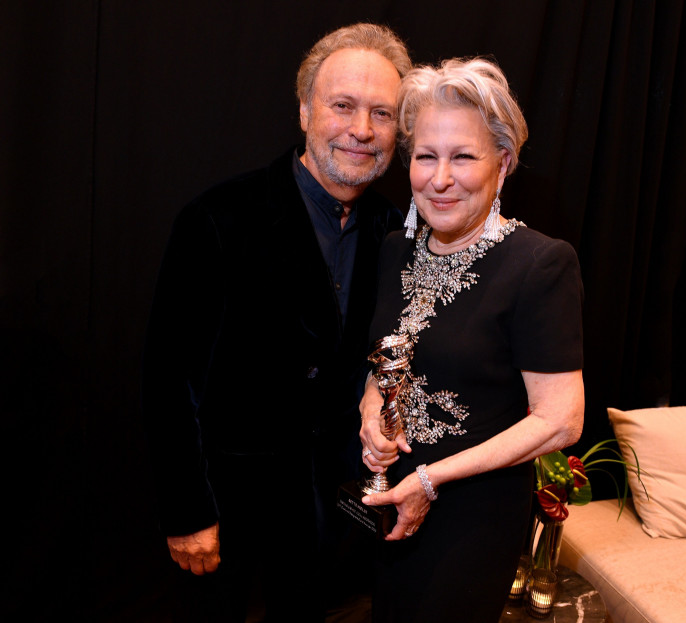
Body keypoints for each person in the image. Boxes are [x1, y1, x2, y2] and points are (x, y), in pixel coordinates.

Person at [142, 23, 411, 623]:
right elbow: (167, 379)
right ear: (304, 110)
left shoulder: (399, 233)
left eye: (382, 113)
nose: (362, 130)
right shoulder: (218, 219)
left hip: (332, 526)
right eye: (342, 106)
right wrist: (188, 512)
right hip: (223, 518)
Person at [358, 57, 585, 623]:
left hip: (470, 520)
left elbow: (562, 420)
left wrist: (431, 481)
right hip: (388, 507)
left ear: (502, 164)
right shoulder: (395, 251)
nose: (439, 178)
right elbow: (385, 356)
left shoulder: (539, 264)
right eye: (425, 156)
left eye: (463, 157)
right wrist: (369, 412)